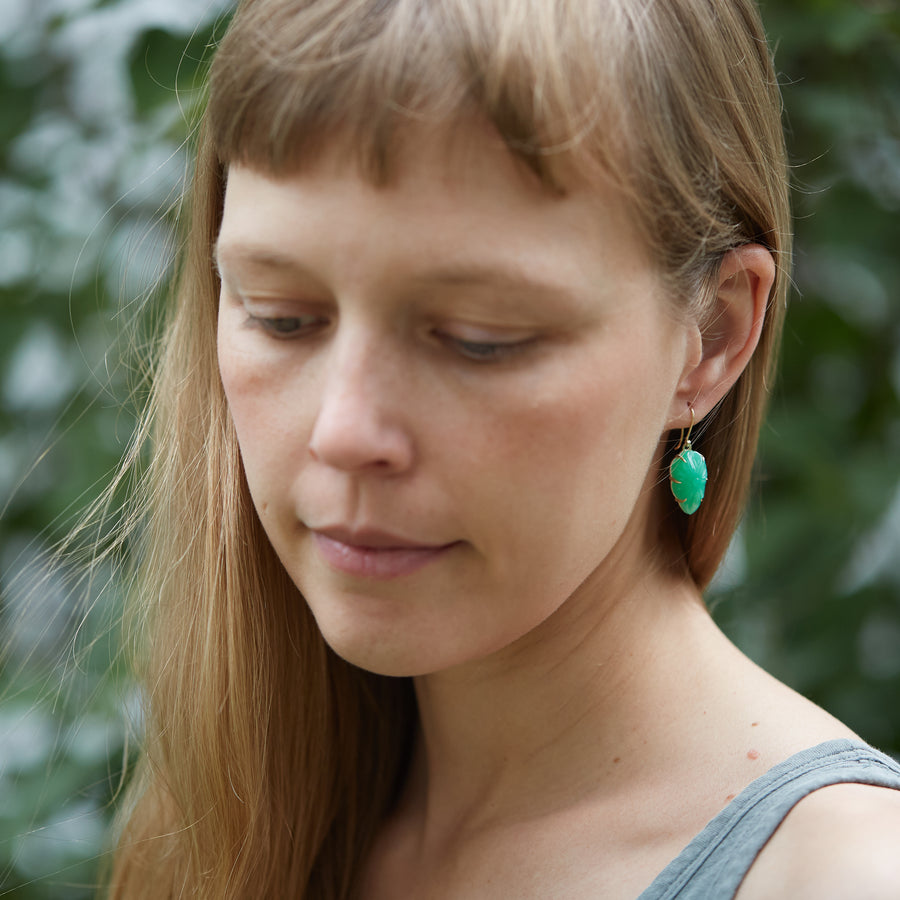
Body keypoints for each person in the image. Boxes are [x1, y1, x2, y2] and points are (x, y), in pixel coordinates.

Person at [106, 0, 900, 897]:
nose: (345, 432)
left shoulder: (843, 875)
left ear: (711, 336)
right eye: (281, 317)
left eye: (479, 337)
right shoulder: (234, 821)